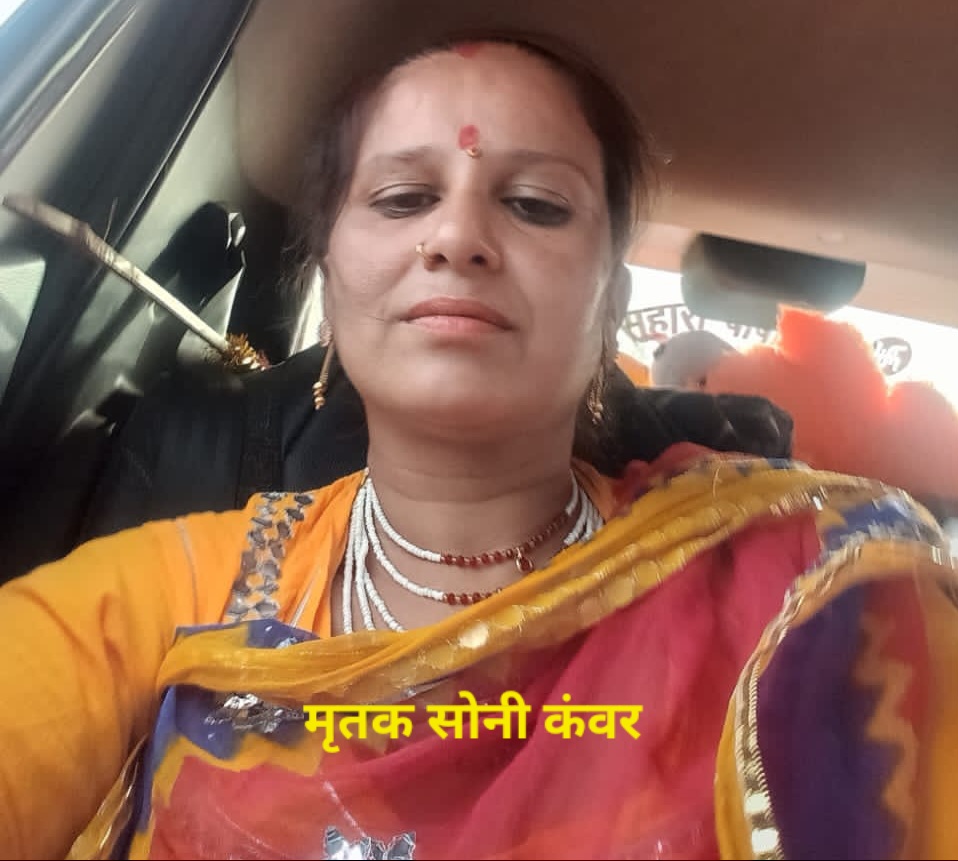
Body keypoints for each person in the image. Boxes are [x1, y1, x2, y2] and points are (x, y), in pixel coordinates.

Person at [1, 35, 957, 861]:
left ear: (610, 304)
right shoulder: (171, 598)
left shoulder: (808, 596)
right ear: (330, 280)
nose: (458, 236)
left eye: (536, 204)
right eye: (403, 197)